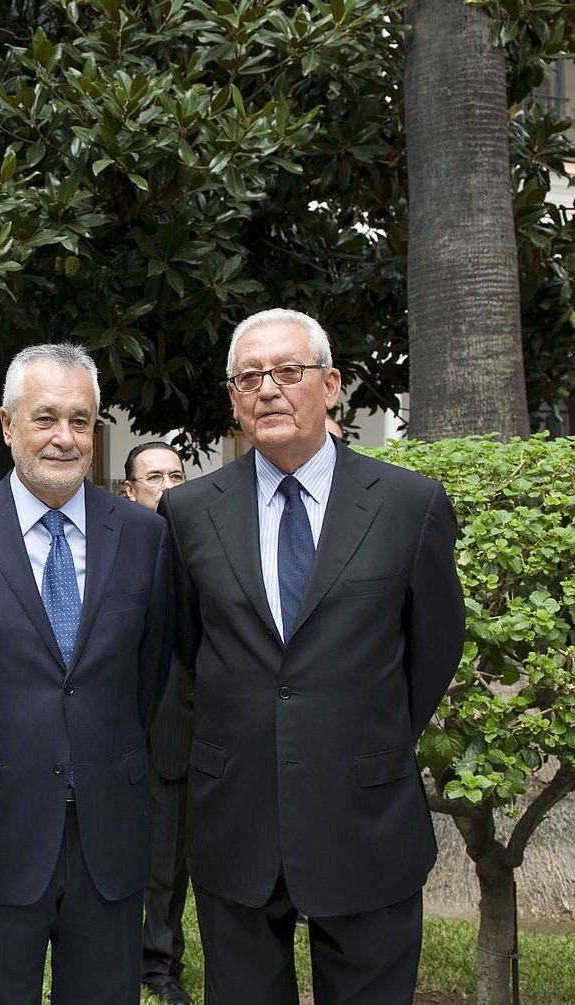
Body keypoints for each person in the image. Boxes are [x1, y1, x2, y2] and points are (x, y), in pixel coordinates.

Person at [160, 308, 465, 1005]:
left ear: (330, 385)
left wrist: (361, 733)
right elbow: (188, 646)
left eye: (288, 372)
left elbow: (433, 648)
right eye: (249, 377)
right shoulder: (188, 511)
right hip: (235, 819)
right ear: (234, 398)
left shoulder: (407, 504)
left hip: (366, 816)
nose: (268, 389)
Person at [0, 344, 173, 1005]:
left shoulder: (147, 536)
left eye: (80, 419)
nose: (64, 437)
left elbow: (150, 672)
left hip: (111, 832)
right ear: (7, 425)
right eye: (45, 418)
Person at [120, 442, 194, 1005]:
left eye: (176, 475)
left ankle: (164, 960)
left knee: (174, 859)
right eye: (153, 477)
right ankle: (150, 963)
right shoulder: (119, 545)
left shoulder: (196, 542)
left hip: (184, 723)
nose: (166, 486)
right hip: (124, 727)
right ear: (130, 489)